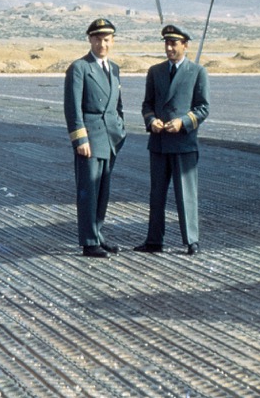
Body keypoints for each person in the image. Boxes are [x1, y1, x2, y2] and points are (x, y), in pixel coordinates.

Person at [135, 24, 210, 255]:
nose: (169, 48)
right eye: (166, 43)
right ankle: (154, 240)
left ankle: (191, 240)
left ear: (185, 45)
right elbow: (147, 104)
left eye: (173, 43)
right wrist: (151, 121)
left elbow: (203, 108)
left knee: (186, 194)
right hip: (158, 144)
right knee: (156, 194)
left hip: (183, 144)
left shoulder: (197, 72)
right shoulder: (155, 71)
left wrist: (183, 122)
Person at [63, 17, 126, 257]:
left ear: (113, 41)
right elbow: (73, 107)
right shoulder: (80, 68)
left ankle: (98, 234)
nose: (103, 44)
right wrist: (80, 139)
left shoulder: (115, 68)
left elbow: (118, 105)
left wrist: (120, 130)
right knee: (88, 190)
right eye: (98, 39)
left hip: (110, 138)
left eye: (107, 39)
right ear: (90, 39)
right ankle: (89, 241)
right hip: (90, 137)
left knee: (103, 191)